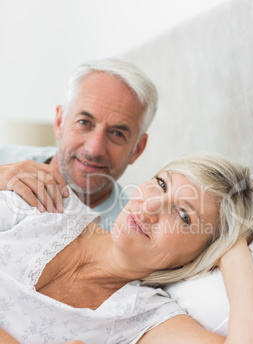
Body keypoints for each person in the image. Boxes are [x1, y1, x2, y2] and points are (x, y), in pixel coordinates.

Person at [0, 152, 253, 344]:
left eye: (183, 215)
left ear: (201, 256)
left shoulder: (140, 317)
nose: (150, 208)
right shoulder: (46, 203)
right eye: (161, 184)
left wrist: (234, 251)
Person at [0, 58, 158, 231]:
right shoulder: (3, 160)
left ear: (137, 149)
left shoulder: (132, 234)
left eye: (117, 134)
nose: (94, 149)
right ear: (60, 122)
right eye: (84, 122)